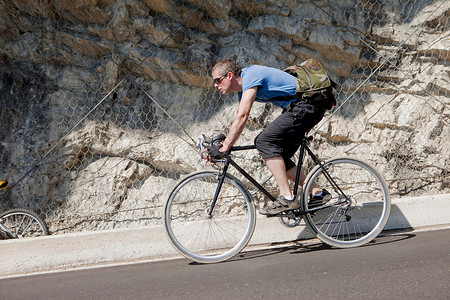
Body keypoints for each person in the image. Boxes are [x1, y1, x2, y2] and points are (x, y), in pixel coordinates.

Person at [205, 59, 330, 215]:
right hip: (304, 108)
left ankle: (287, 197)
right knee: (279, 157)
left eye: (217, 80)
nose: (215, 85)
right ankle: (318, 192)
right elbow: (239, 120)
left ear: (229, 75)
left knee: (264, 141)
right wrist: (225, 143)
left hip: (308, 106)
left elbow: (243, 115)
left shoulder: (250, 74)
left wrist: (225, 147)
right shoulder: (242, 90)